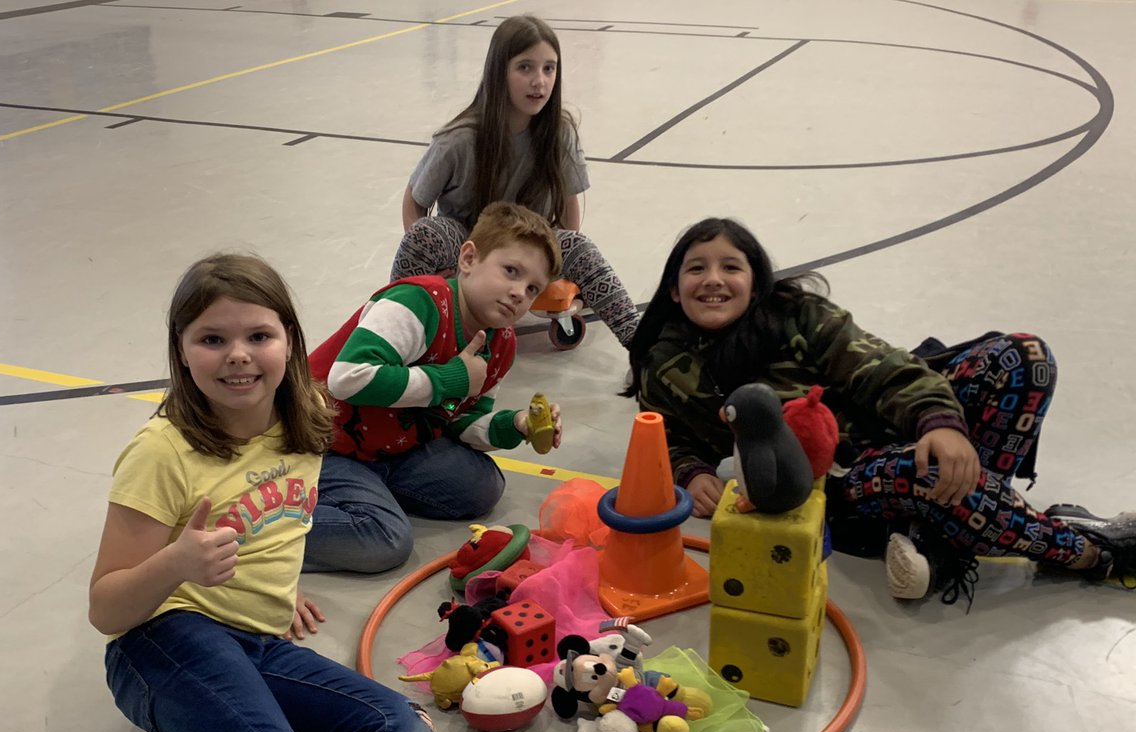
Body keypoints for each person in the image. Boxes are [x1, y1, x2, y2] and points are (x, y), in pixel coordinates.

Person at [88, 254, 436, 732]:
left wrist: (276, 586)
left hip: (254, 639)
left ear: (290, 343)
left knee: (404, 728)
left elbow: (275, 517)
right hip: (160, 638)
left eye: (258, 336)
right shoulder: (161, 452)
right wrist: (175, 564)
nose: (239, 356)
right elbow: (107, 609)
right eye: (212, 339)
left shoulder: (302, 421)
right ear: (182, 353)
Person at [625, 217, 1136, 606]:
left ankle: (943, 536)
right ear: (674, 288)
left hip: (890, 423)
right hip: (840, 479)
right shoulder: (665, 361)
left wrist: (940, 421)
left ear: (756, 283)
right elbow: (664, 434)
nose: (713, 279)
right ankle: (1094, 551)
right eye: (697, 268)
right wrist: (690, 473)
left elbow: (882, 366)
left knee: (1024, 358)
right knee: (933, 475)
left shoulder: (798, 315)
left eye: (731, 266)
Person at [306, 201, 564, 574]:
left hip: (393, 446)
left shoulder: (502, 343)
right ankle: (261, 535)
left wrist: (516, 424)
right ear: (469, 259)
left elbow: (462, 422)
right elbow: (347, 377)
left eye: (532, 288)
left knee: (483, 486)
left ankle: (365, 491)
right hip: (325, 443)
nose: (518, 293)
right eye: (511, 271)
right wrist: (452, 379)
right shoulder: (418, 302)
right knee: (387, 539)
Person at [391, 14, 640, 349]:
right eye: (525, 68)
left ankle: (644, 350)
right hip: (471, 242)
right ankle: (397, 330)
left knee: (580, 247)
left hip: (529, 241)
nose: (539, 80)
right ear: (500, 73)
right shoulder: (460, 138)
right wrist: (441, 272)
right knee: (426, 233)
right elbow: (415, 200)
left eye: (549, 69)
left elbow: (568, 202)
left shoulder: (559, 132)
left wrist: (560, 261)